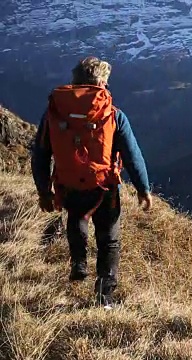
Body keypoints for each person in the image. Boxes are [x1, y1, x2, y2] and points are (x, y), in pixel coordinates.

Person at [31, 56, 152, 309]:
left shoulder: (53, 113)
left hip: (69, 183)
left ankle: (78, 263)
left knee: (77, 217)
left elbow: (40, 153)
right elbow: (132, 154)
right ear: (101, 83)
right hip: (105, 186)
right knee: (109, 238)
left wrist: (44, 190)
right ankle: (104, 298)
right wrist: (143, 189)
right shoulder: (113, 115)